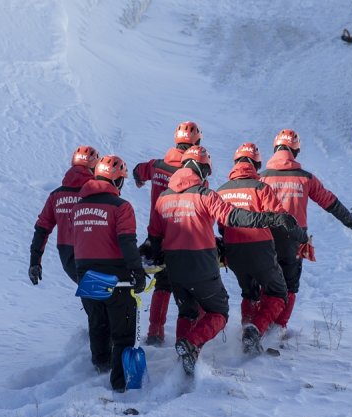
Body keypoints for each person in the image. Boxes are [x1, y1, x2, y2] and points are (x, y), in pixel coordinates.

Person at [148, 145, 302, 374]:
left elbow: (153, 237)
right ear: (201, 169)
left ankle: (184, 361)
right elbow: (233, 216)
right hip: (201, 262)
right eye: (206, 172)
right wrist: (270, 218)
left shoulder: (163, 198)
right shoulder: (204, 195)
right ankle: (191, 344)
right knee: (218, 312)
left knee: (188, 312)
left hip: (173, 267)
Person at [260, 129, 352, 333]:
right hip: (294, 239)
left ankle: (257, 325)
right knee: (290, 285)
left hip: (266, 238)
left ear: (275, 149)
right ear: (295, 151)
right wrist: (350, 221)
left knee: (267, 283)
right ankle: (277, 328)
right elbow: (329, 201)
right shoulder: (306, 178)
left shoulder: (261, 178)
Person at [72, 154, 147, 392]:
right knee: (122, 333)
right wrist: (137, 272)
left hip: (86, 275)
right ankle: (120, 384)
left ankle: (100, 367)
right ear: (117, 181)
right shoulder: (121, 207)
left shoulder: (78, 207)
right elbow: (126, 241)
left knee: (98, 325)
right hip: (117, 279)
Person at [218, 142, 299, 354]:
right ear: (256, 164)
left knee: (249, 293)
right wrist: (299, 237)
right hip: (260, 248)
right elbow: (280, 218)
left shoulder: (221, 190)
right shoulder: (261, 188)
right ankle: (255, 330)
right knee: (278, 293)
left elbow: (219, 224)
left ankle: (246, 330)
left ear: (236, 163)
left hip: (233, 251)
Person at [132, 121, 202, 346]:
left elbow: (137, 169)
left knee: (163, 284)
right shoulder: (193, 172)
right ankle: (195, 335)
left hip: (155, 235)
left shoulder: (157, 165)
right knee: (195, 284)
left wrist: (139, 180)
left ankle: (155, 333)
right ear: (196, 143)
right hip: (182, 234)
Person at [29, 145, 100, 284]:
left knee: (92, 294)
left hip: (68, 258)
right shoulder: (98, 194)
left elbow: (41, 229)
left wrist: (34, 262)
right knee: (109, 296)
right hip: (95, 254)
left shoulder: (56, 196)